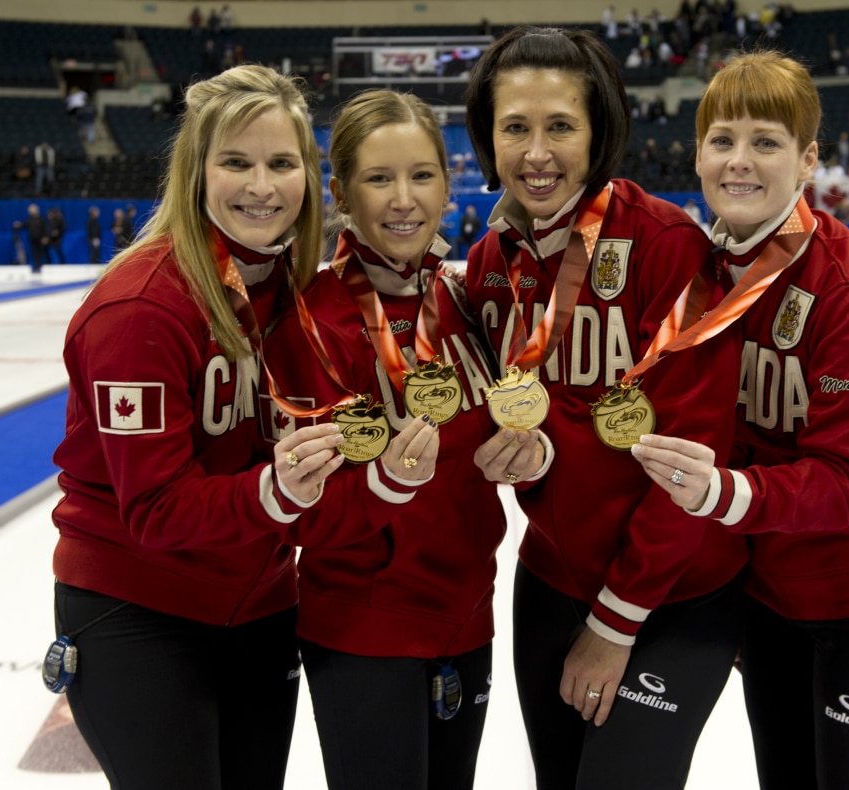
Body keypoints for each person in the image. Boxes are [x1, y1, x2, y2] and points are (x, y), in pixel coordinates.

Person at [631, 50, 849, 790]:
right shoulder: (700, 273)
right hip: (772, 593)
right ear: (698, 154)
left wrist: (722, 495)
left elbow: (842, 485)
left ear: (808, 160)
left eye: (767, 143)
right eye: (723, 141)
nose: (739, 162)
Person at [462, 26, 746, 789]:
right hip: (551, 580)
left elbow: (696, 454)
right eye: (515, 127)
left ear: (599, 132)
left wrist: (616, 621)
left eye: (561, 126)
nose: (536, 153)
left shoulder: (665, 246)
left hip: (670, 594)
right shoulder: (492, 262)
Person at [49, 64, 345, 789]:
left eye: (281, 163)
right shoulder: (141, 309)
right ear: (195, 171)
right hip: (140, 610)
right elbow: (153, 508)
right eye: (236, 162)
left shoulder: (297, 292)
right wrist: (274, 495)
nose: (261, 186)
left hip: (261, 603)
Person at [261, 88, 506, 790]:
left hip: (468, 614)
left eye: (422, 175)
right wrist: (385, 483)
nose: (404, 199)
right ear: (339, 192)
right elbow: (296, 511)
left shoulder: (461, 300)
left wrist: (530, 451)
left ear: (448, 182)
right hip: (365, 626)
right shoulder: (308, 318)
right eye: (379, 178)